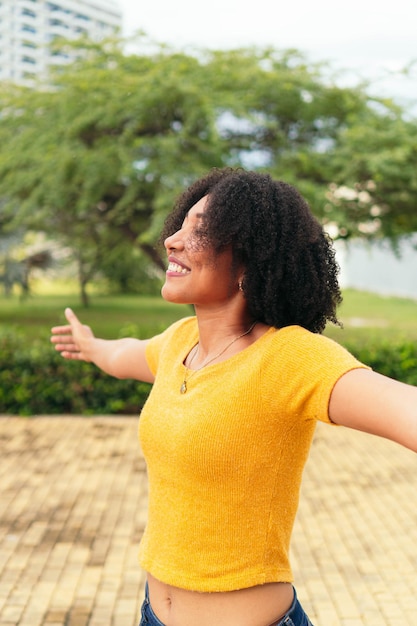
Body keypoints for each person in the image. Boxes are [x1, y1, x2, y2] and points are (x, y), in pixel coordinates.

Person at [51, 168, 417, 626]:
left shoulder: (290, 357)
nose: (172, 240)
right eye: (180, 225)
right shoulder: (180, 341)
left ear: (250, 259)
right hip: (152, 614)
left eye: (200, 230)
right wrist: (90, 347)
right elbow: (124, 354)